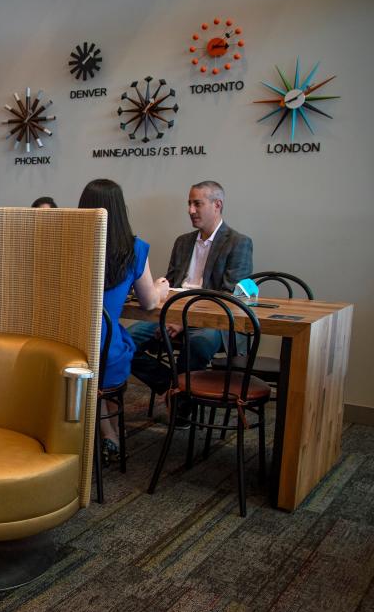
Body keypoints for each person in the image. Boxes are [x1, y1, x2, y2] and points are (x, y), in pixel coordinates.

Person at [128, 180, 253, 413]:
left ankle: (181, 410)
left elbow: (228, 296)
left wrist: (183, 323)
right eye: (189, 204)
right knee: (125, 341)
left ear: (217, 205)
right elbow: (171, 285)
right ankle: (172, 388)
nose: (190, 210)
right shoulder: (183, 242)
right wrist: (168, 316)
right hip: (173, 313)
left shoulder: (239, 243)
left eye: (197, 204)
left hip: (214, 321)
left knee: (199, 342)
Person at [78, 179, 169, 456]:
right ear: (121, 209)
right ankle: (110, 432)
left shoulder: (70, 242)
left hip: (68, 339)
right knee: (109, 357)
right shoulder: (134, 248)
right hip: (105, 344)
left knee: (89, 367)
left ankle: (102, 432)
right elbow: (149, 301)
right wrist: (162, 287)